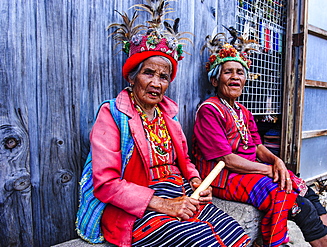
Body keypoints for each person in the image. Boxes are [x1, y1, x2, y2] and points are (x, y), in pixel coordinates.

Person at [76, 2, 250, 247]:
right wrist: (164, 204)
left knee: (233, 233)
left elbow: (184, 160)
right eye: (149, 73)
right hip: (139, 208)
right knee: (198, 241)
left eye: (164, 77)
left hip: (180, 194)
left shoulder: (168, 113)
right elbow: (106, 184)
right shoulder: (112, 114)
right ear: (132, 76)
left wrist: (195, 181)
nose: (156, 83)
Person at [193, 29, 327, 247]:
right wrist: (269, 170)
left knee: (308, 193)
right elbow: (226, 160)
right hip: (224, 177)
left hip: (249, 169)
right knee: (299, 206)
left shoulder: (242, 110)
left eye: (240, 72)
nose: (235, 77)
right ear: (215, 79)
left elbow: (257, 146)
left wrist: (277, 162)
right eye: (228, 72)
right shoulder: (209, 110)